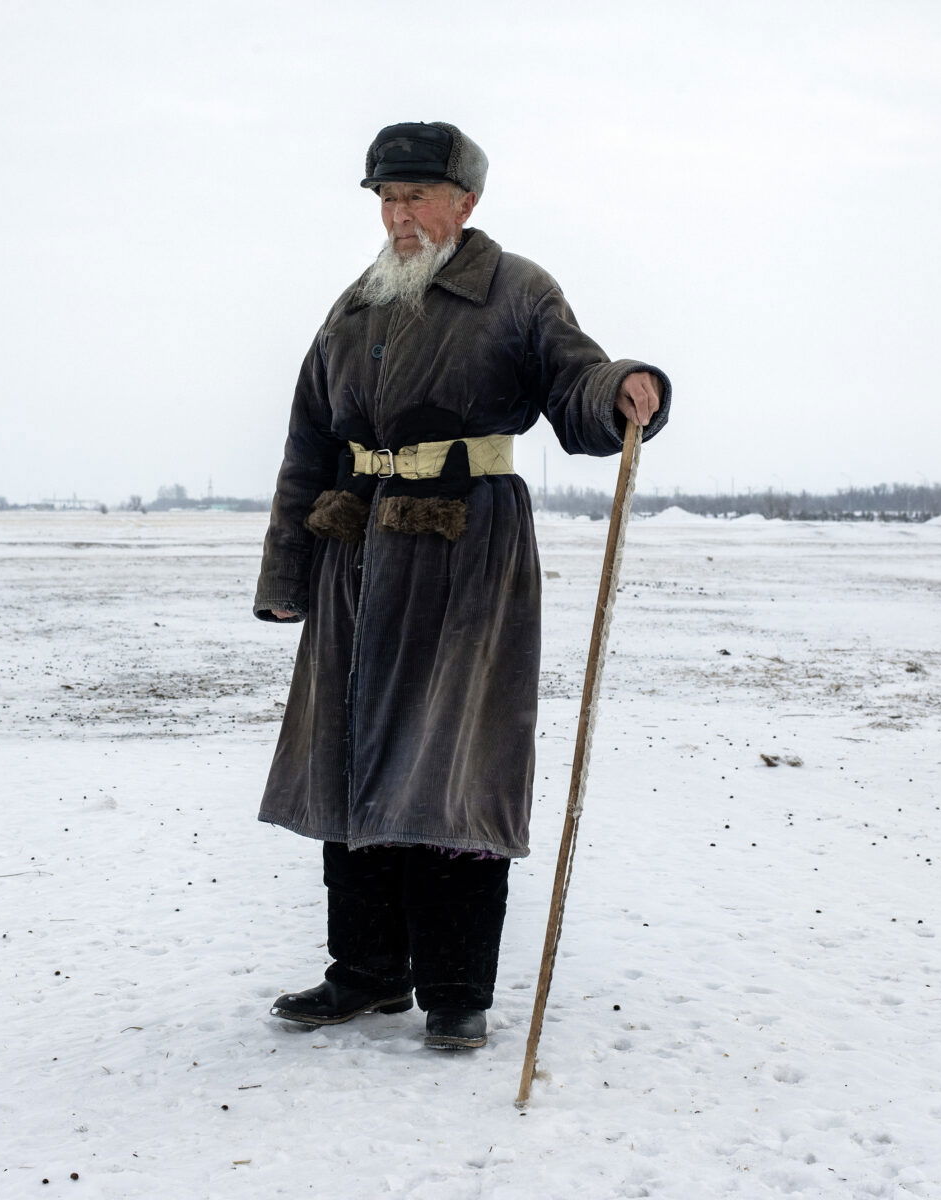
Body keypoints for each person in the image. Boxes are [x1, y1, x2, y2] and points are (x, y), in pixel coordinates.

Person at [253, 121, 670, 1050]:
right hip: (357, 559)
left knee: (454, 771)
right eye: (387, 201)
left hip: (467, 558)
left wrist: (622, 388)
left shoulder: (515, 290)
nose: (399, 218)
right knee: (352, 759)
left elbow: (575, 380)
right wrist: (287, 573)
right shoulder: (354, 306)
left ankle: (453, 992)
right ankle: (364, 974)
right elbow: (308, 445)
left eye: (416, 200)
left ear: (464, 203)